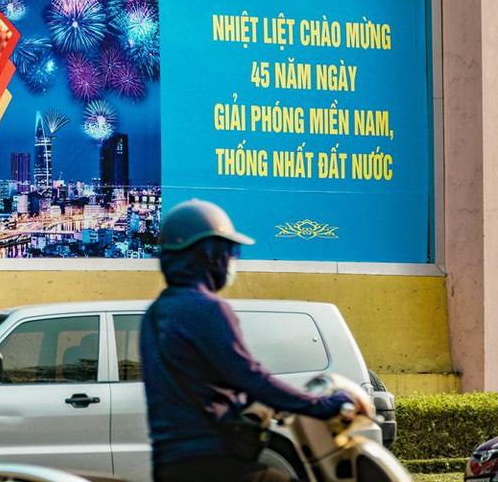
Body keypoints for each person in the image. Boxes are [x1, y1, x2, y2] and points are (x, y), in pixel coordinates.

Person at [140, 199, 360, 482]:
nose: (233, 260)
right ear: (209, 254)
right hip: (215, 466)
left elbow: (201, 380)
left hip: (169, 468)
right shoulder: (208, 309)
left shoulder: (153, 315)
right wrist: (323, 406)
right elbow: (251, 377)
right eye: (230, 252)